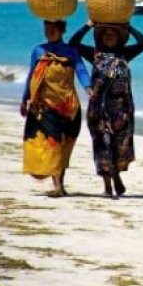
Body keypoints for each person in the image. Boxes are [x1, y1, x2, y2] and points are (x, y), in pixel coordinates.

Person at [69, 20, 143, 199]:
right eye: (105, 33)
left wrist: (128, 27)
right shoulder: (95, 54)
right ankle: (107, 187)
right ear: (100, 37)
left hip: (122, 110)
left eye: (113, 33)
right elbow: (73, 43)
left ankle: (116, 175)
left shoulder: (125, 54)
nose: (109, 36)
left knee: (119, 147)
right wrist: (87, 26)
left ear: (119, 37)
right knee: (103, 146)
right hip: (100, 109)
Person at [21, 20, 93, 197]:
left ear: (62, 30)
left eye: (53, 29)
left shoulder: (71, 51)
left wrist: (89, 88)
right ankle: (57, 186)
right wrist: (25, 99)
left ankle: (60, 184)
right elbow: (32, 75)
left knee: (64, 146)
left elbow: (81, 70)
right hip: (45, 106)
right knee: (52, 143)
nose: (49, 32)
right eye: (47, 29)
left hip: (68, 105)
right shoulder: (39, 51)